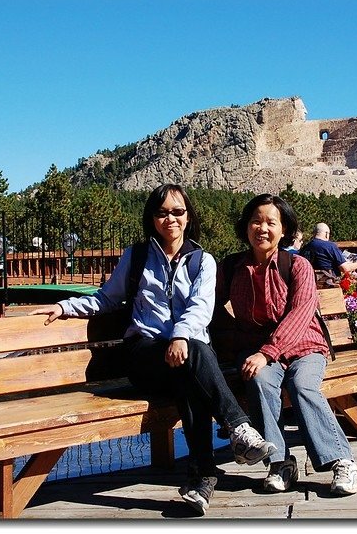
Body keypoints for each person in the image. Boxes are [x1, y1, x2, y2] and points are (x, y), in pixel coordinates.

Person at [28, 183, 276, 515]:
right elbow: (107, 298)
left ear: (188, 217)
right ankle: (239, 429)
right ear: (152, 218)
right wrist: (64, 307)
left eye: (178, 212)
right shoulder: (137, 256)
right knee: (196, 358)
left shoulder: (203, 261)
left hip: (184, 358)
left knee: (190, 373)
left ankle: (202, 480)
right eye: (162, 212)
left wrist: (180, 337)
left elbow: (201, 309)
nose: (170, 219)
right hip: (144, 356)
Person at [216, 194, 357, 496]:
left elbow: (301, 312)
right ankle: (280, 463)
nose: (262, 228)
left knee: (303, 386)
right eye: (256, 221)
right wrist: (233, 338)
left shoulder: (297, 265)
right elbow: (210, 309)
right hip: (260, 353)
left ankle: (341, 461)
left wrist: (266, 351)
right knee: (258, 380)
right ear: (246, 227)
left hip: (304, 346)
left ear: (284, 230)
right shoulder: (232, 268)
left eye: (271, 222)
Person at [299, 222, 357, 288]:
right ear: (326, 234)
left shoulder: (305, 248)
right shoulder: (330, 246)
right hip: (329, 286)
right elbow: (345, 268)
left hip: (309, 284)